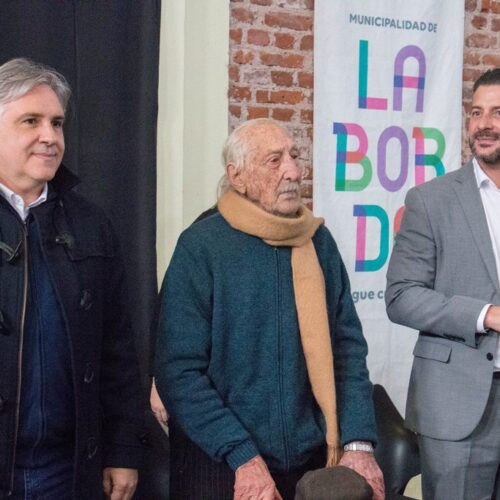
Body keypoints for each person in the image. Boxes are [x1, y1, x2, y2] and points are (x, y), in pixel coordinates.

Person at [155, 118, 384, 500]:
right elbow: (178, 372)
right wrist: (242, 455)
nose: (293, 171)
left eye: (294, 156)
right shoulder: (201, 247)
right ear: (237, 177)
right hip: (222, 467)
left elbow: (347, 351)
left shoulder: (319, 242)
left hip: (311, 465)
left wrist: (358, 443)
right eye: (274, 161)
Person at [0, 58, 145, 499]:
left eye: (57, 123)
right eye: (31, 121)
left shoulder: (92, 224)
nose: (50, 136)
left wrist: (124, 450)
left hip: (65, 471)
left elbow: (118, 350)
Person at [385, 68, 500, 499]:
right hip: (458, 406)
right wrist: (484, 315)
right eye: (477, 112)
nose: (484, 124)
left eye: (498, 113)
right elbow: (401, 296)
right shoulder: (430, 200)